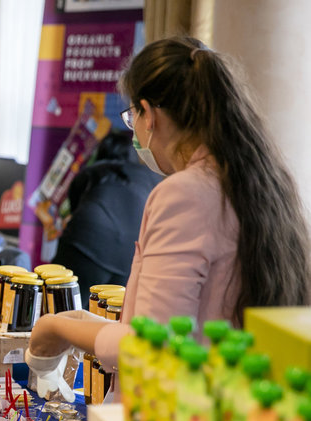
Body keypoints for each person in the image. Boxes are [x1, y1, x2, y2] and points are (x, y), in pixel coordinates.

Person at [27, 36, 311, 398]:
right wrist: (84, 323)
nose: (135, 131)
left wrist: (56, 327)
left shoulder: (184, 194)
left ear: (151, 114)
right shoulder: (262, 184)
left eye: (133, 118)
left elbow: (149, 348)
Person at [52, 130, 161, 303]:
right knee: (109, 311)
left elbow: (75, 204)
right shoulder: (151, 179)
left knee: (56, 303)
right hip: (133, 251)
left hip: (90, 236)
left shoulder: (95, 171)